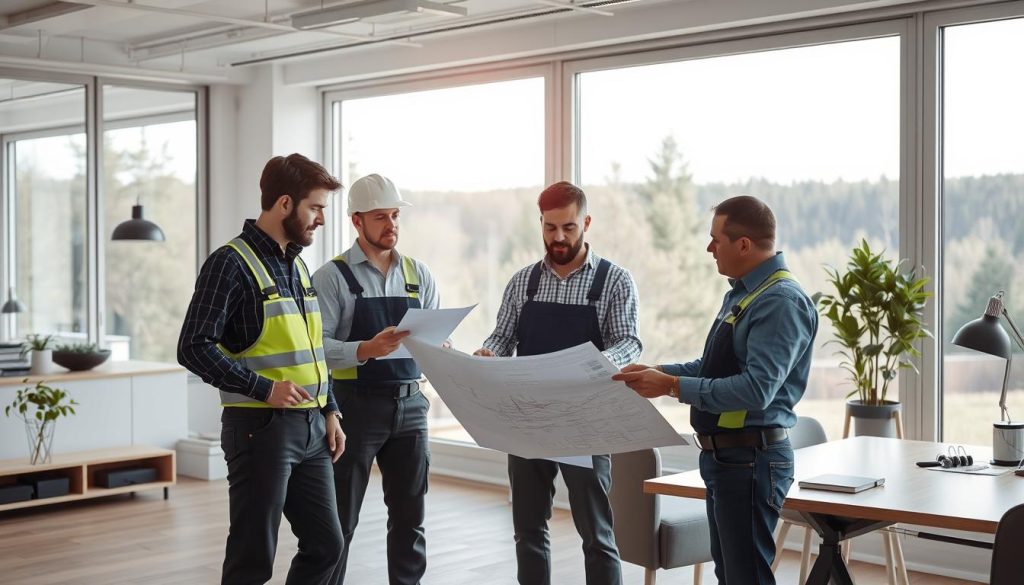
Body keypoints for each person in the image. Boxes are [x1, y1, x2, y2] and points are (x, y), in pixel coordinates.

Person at [613, 195, 818, 584]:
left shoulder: (780, 302)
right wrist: (659, 372)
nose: (709, 248)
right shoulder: (742, 293)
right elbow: (714, 368)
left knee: (746, 577)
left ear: (744, 244)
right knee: (731, 574)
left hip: (751, 461)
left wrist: (673, 386)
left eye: (715, 240)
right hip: (728, 461)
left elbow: (756, 389)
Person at [177, 153, 346, 585]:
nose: (321, 219)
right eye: (316, 208)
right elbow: (192, 347)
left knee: (328, 544)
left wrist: (330, 409)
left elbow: (311, 350)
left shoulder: (297, 264)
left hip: (310, 427)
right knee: (253, 557)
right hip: (259, 429)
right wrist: (261, 387)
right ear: (285, 203)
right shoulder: (229, 263)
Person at [474, 181, 642, 585]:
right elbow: (503, 335)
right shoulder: (524, 282)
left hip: (585, 422)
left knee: (597, 534)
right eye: (550, 228)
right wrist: (489, 352)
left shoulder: (614, 281)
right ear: (541, 224)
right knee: (528, 529)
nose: (559, 237)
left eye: (568, 227)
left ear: (585, 222)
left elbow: (629, 342)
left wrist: (595, 362)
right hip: (528, 418)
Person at [311, 174, 440, 585]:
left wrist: (445, 347)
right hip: (355, 407)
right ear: (356, 221)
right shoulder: (332, 278)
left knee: (410, 519)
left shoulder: (420, 275)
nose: (392, 225)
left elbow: (437, 337)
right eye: (381, 216)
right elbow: (316, 347)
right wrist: (365, 349)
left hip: (412, 406)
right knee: (339, 522)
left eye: (396, 215)